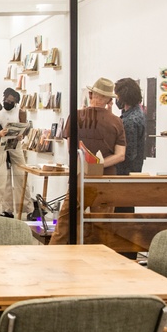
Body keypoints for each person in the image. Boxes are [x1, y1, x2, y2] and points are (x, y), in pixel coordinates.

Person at [49, 76, 127, 246]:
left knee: (65, 224)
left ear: (91, 94)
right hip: (105, 179)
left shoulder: (76, 116)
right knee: (101, 226)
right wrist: (97, 165)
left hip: (79, 176)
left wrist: (86, 166)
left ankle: (53, 258)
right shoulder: (116, 121)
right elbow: (120, 155)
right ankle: (95, 264)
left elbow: (71, 150)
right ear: (108, 100)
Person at [0, 87, 28, 217]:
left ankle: (26, 207)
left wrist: (22, 134)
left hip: (15, 144)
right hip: (1, 144)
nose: (9, 103)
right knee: (5, 178)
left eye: (12, 101)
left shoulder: (20, 112)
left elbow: (24, 127)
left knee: (21, 176)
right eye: (7, 100)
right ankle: (7, 209)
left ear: (15, 102)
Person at [115, 77, 146, 175]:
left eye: (117, 96)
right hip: (133, 170)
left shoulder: (130, 120)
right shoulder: (137, 113)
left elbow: (129, 153)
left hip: (126, 173)